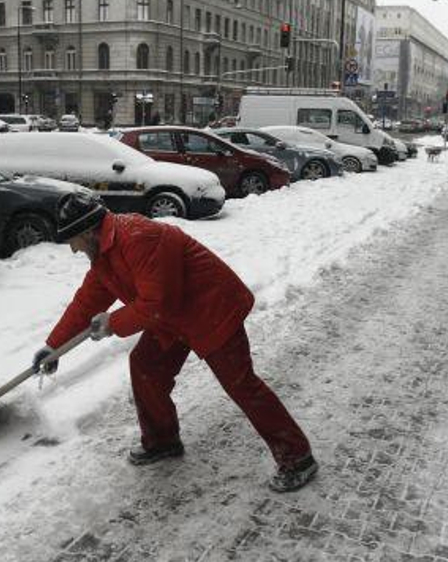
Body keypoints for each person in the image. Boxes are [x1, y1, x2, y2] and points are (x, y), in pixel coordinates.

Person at [33, 194, 318, 492]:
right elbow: (88, 300)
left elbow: (158, 303)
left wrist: (112, 324)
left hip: (210, 309)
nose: (73, 249)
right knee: (146, 366)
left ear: (88, 231)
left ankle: (297, 457)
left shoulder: (139, 238)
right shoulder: (104, 253)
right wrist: (54, 346)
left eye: (73, 240)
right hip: (173, 317)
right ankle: (162, 440)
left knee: (240, 383)